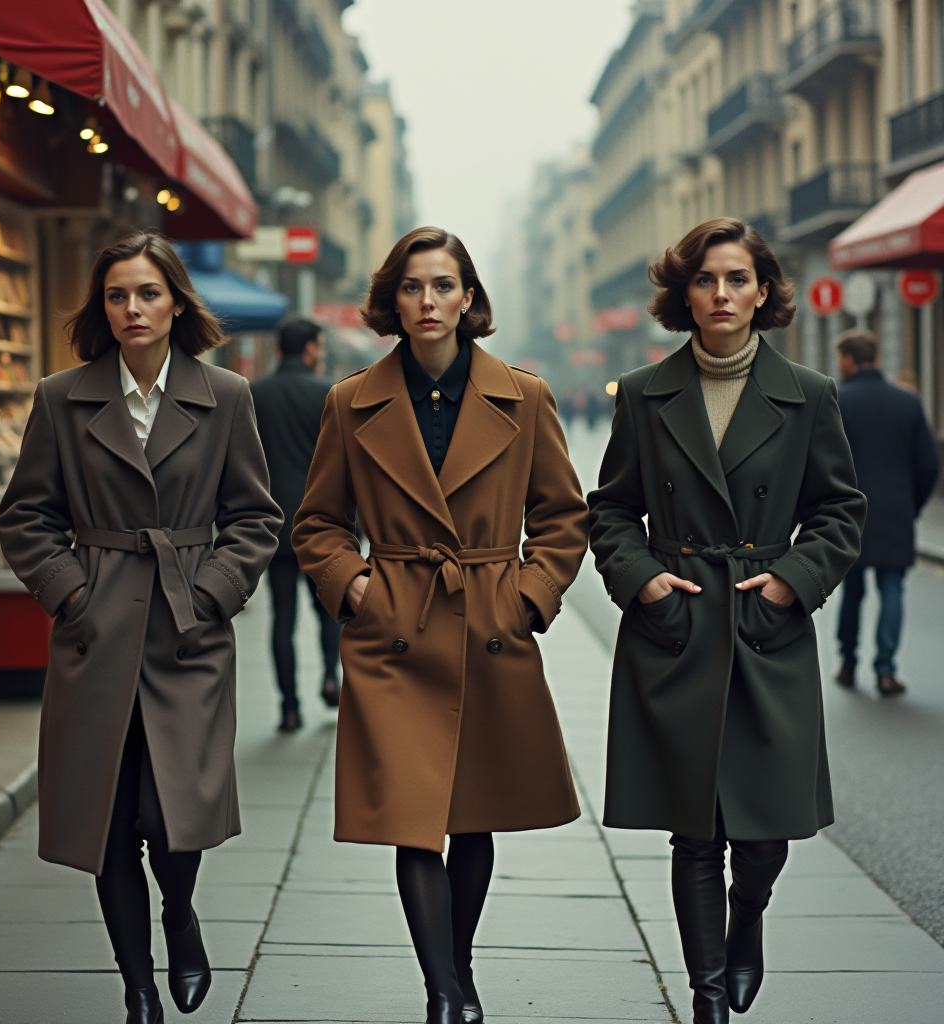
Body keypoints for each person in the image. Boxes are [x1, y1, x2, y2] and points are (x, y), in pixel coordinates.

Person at [292, 226, 588, 1024]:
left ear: (468, 298)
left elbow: (562, 515)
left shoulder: (524, 397)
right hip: (395, 630)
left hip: (488, 624)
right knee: (413, 819)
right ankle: (444, 991)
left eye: (443, 286)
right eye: (413, 287)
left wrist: (528, 597)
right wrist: (354, 587)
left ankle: (456, 967)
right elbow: (317, 522)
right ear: (392, 301)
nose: (428, 301)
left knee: (474, 816)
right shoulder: (350, 401)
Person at [0, 229, 282, 1024]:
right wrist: (70, 595)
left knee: (173, 815)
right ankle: (137, 985)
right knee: (110, 816)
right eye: (118, 294)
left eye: (148, 292)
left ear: (176, 302)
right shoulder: (63, 395)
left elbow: (256, 517)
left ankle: (180, 916)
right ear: (104, 307)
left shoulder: (226, 395)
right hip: (95, 633)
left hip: (187, 629)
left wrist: (214, 592)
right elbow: (25, 517)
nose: (132, 308)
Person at [588, 218, 865, 1024]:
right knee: (695, 828)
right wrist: (644, 585)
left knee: (765, 827)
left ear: (764, 291)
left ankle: (749, 923)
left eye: (738, 279)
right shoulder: (644, 392)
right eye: (706, 280)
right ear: (684, 294)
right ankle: (707, 993)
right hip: (677, 629)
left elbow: (840, 511)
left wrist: (791, 583)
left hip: (764, 626)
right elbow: (610, 511)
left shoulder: (808, 394)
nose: (721, 294)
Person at [834, 330, 939, 696]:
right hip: (896, 510)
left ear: (848, 360)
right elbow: (928, 464)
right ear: (877, 359)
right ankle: (886, 669)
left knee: (853, 590)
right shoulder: (907, 403)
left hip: (850, 513)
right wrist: (913, 504)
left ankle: (847, 664)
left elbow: (821, 463)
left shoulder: (838, 401)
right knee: (892, 588)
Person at [250, 317, 342, 732]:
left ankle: (289, 707)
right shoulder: (328, 394)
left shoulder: (255, 395)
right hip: (324, 526)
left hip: (273, 525)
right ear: (309, 349)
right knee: (328, 612)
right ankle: (330, 677)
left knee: (281, 618)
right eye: (319, 348)